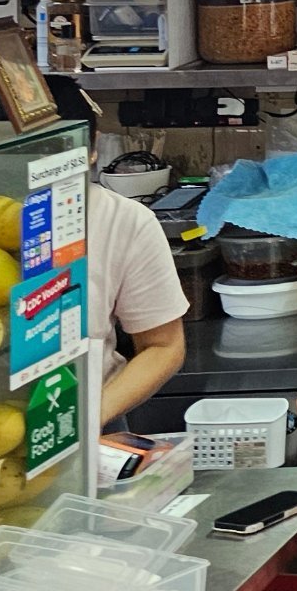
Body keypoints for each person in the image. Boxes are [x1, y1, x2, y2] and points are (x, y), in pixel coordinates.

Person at [85, 168, 188, 422]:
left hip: (94, 418)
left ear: (92, 152)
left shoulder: (121, 219)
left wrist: (90, 419)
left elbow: (164, 345)